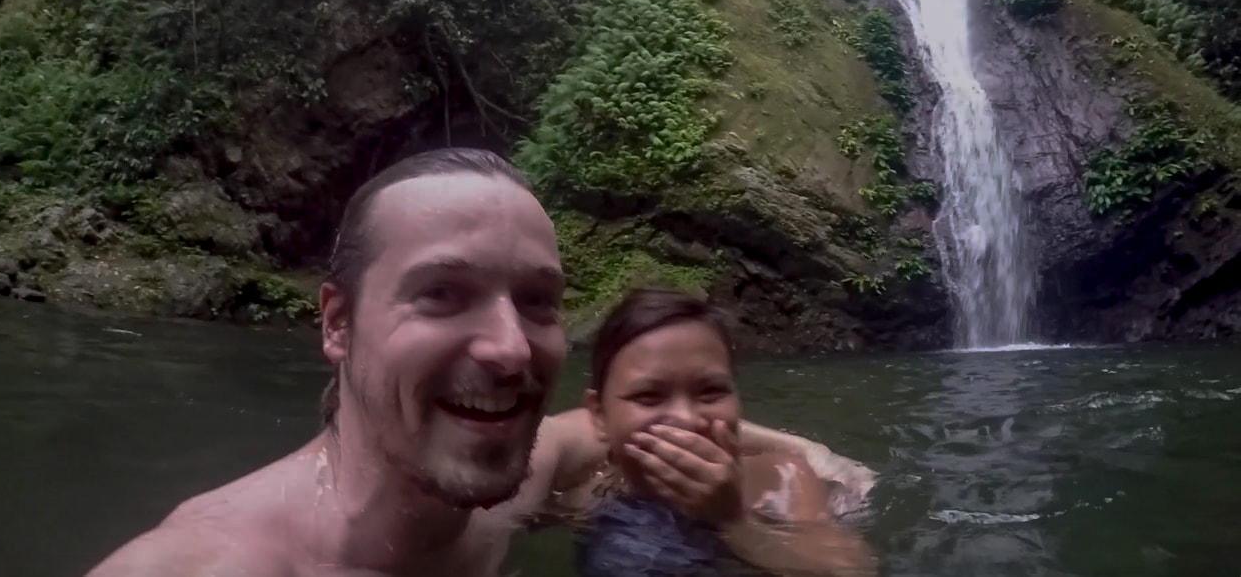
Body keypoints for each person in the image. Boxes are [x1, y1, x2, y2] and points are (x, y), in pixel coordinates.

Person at [85, 147, 875, 577]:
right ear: (338, 322)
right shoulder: (210, 565)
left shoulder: (505, 489)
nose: (508, 348)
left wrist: (797, 450)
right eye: (441, 294)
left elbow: (606, 428)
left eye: (537, 302)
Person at [551, 288, 877, 577]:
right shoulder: (585, 497)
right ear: (600, 414)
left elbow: (853, 569)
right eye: (648, 395)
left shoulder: (781, 479)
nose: (685, 418)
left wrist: (734, 521)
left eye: (710, 391)